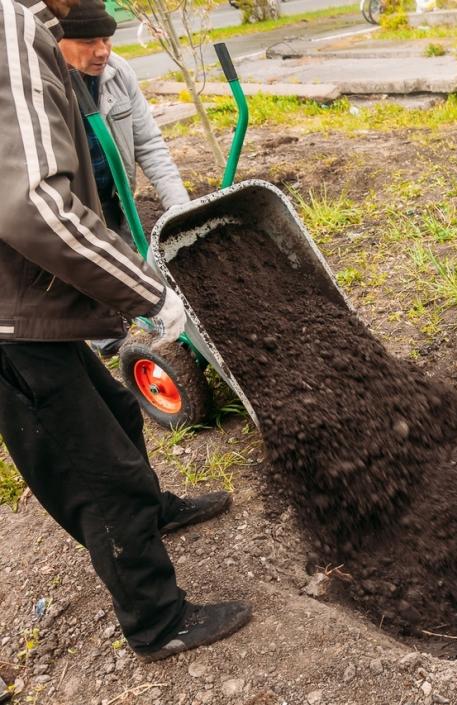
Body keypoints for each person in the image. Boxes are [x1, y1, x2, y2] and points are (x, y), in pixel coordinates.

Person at [0, 0, 251, 660]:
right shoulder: (8, 27)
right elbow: (34, 203)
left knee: (117, 408)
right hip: (8, 318)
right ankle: (157, 620)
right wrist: (151, 295)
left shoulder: (40, 31)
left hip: (25, 298)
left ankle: (155, 510)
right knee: (98, 474)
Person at [57, 0, 190, 357]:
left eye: (107, 39)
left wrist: (181, 207)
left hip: (114, 193)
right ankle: (110, 339)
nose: (102, 51)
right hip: (70, 204)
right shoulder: (44, 88)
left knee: (146, 258)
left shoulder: (117, 73)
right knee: (90, 271)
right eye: (89, 42)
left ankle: (165, 321)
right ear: (58, 40)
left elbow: (149, 144)